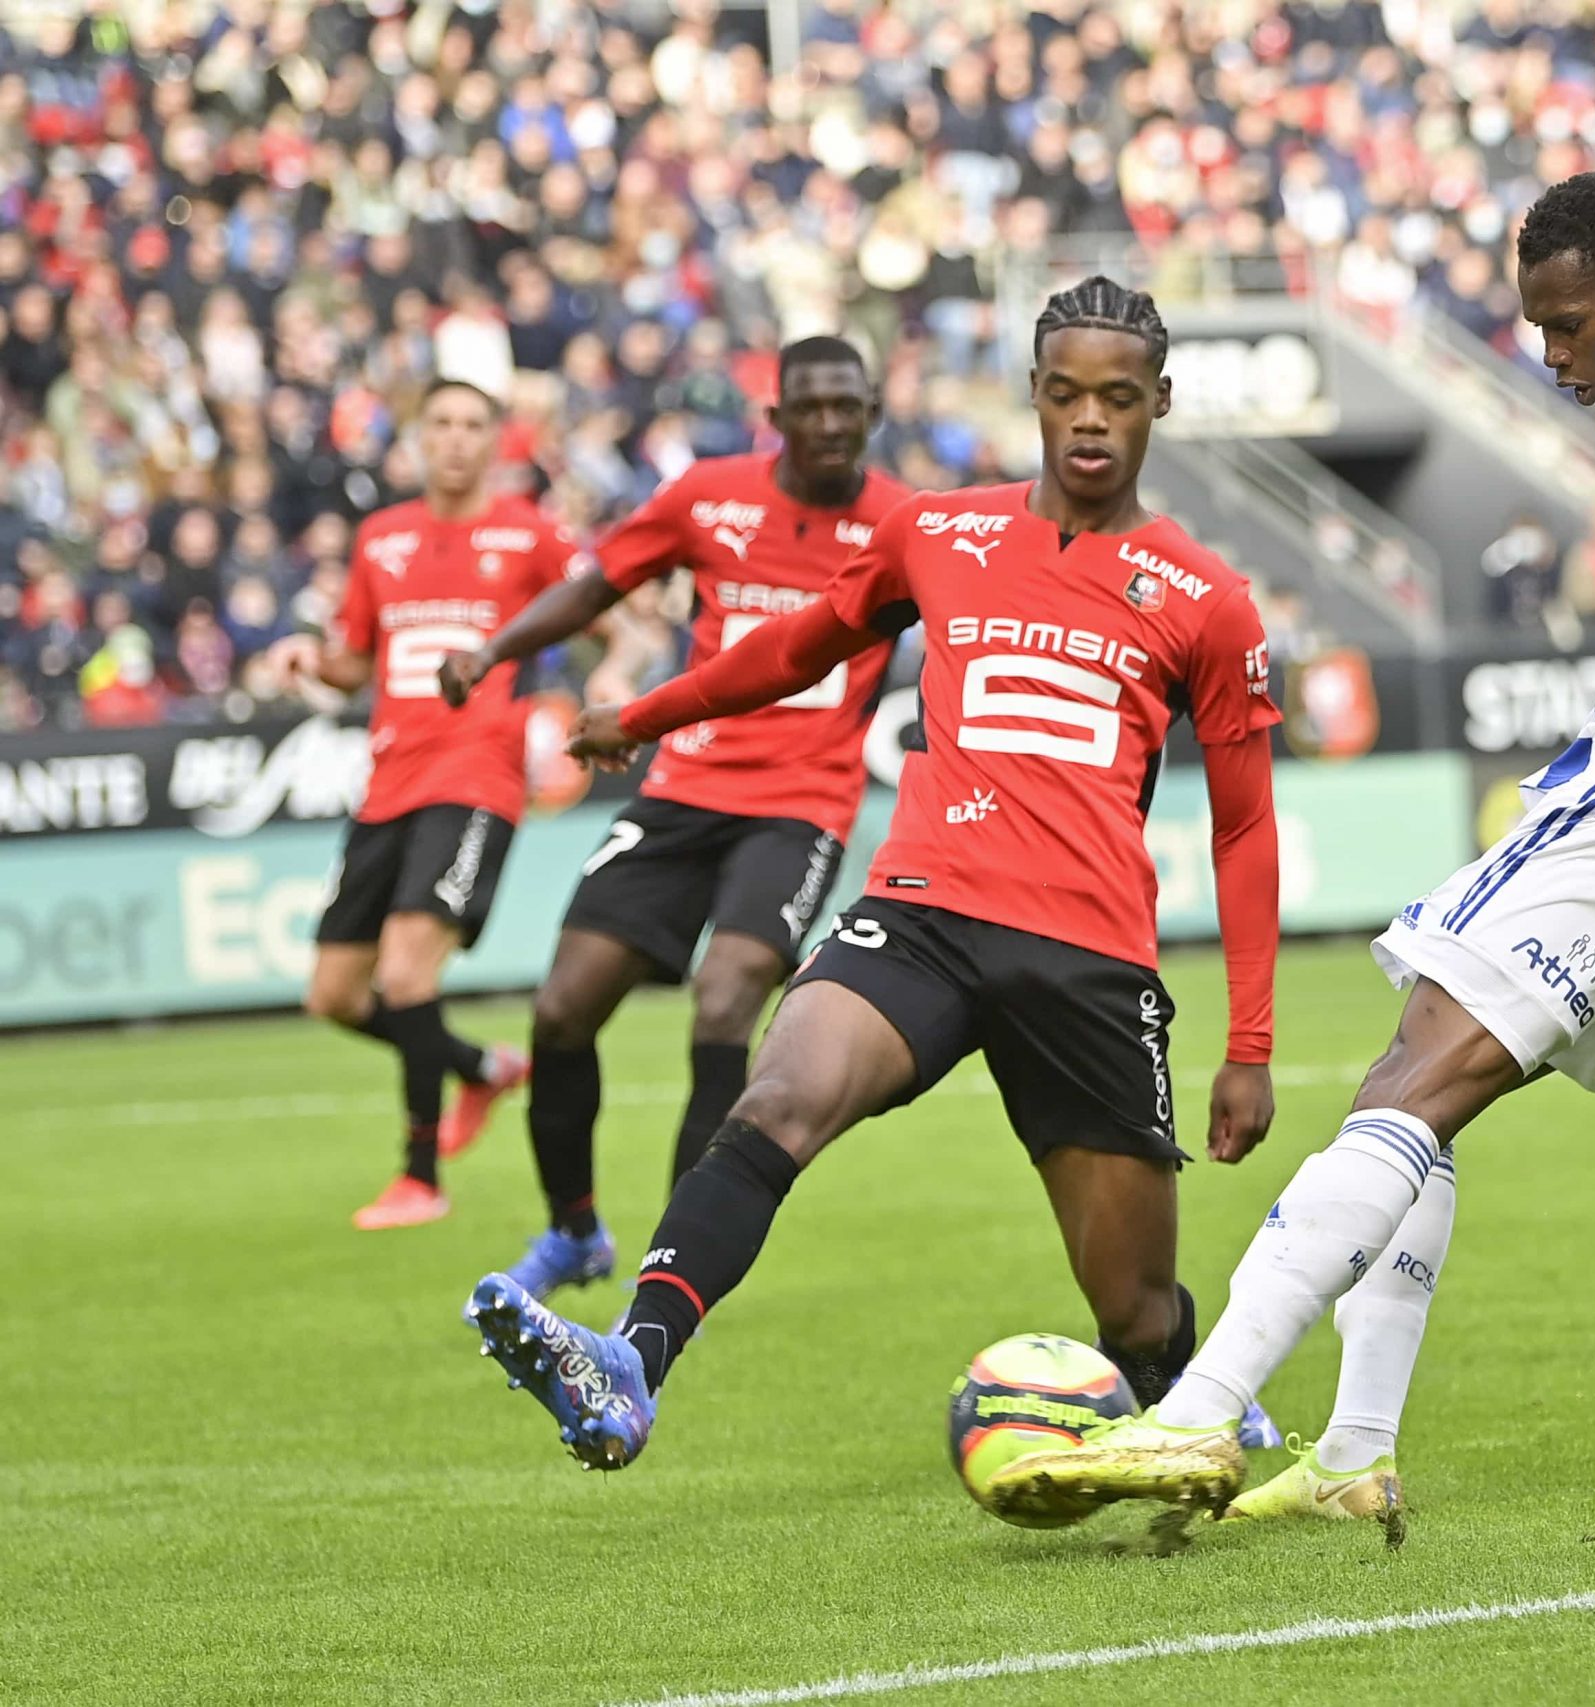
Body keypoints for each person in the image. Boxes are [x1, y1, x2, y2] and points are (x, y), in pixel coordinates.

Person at [977, 170, 1595, 1537]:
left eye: (1571, 328)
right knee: (1412, 1072)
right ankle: (1353, 1451)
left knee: (1415, 1082)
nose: (1551, 356)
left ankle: (1197, 1408)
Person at [459, 278, 1287, 1470]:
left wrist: (1249, 1046)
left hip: (1087, 961)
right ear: (1034, 397)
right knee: (776, 1100)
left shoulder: (1208, 599)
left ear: (1161, 401)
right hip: (922, 915)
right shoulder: (940, 532)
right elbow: (790, 648)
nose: (1090, 421)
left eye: (1118, 398)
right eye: (1065, 395)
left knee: (1134, 1312)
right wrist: (643, 714)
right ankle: (630, 1360)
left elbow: (1246, 830)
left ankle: (1188, 1392)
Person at [436, 336, 914, 1301]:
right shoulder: (707, 495)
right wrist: (493, 650)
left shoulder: (908, 525)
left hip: (802, 804)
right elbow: (595, 585)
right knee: (563, 1010)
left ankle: (671, 1273)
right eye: (808, 407)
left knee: (730, 993)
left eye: (846, 407)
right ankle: (574, 1231)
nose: (828, 424)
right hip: (683, 788)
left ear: (872, 415)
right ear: (773, 417)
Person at [267, 379, 580, 1229]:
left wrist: (613, 676)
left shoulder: (531, 534)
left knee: (406, 973)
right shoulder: (382, 538)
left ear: (496, 440)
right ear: (415, 438)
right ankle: (481, 1067)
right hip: (389, 780)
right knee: (334, 993)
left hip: (477, 776)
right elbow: (356, 660)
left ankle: (420, 1176)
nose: (454, 439)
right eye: (439, 423)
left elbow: (602, 614)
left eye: (472, 425)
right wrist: (310, 658)